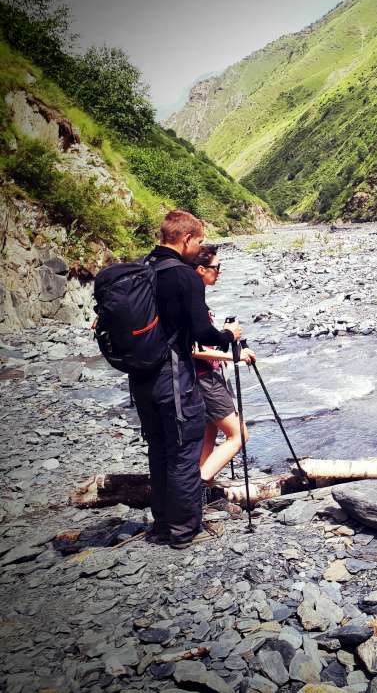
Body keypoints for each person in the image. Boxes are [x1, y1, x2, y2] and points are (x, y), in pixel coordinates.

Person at [131, 211, 241, 549]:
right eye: (199, 240)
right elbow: (200, 332)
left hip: (141, 377)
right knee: (182, 450)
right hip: (174, 377)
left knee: (160, 449)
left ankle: (163, 524)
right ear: (187, 239)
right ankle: (183, 531)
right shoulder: (184, 276)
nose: (199, 247)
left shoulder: (141, 269)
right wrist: (228, 334)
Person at [190, 244, 256, 483]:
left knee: (210, 432)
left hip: (200, 378)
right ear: (200, 269)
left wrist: (233, 342)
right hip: (205, 378)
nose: (219, 272)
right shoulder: (191, 301)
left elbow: (202, 340)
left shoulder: (192, 298)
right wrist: (234, 356)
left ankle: (201, 485)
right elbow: (194, 350)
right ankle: (196, 484)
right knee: (239, 435)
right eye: (217, 267)